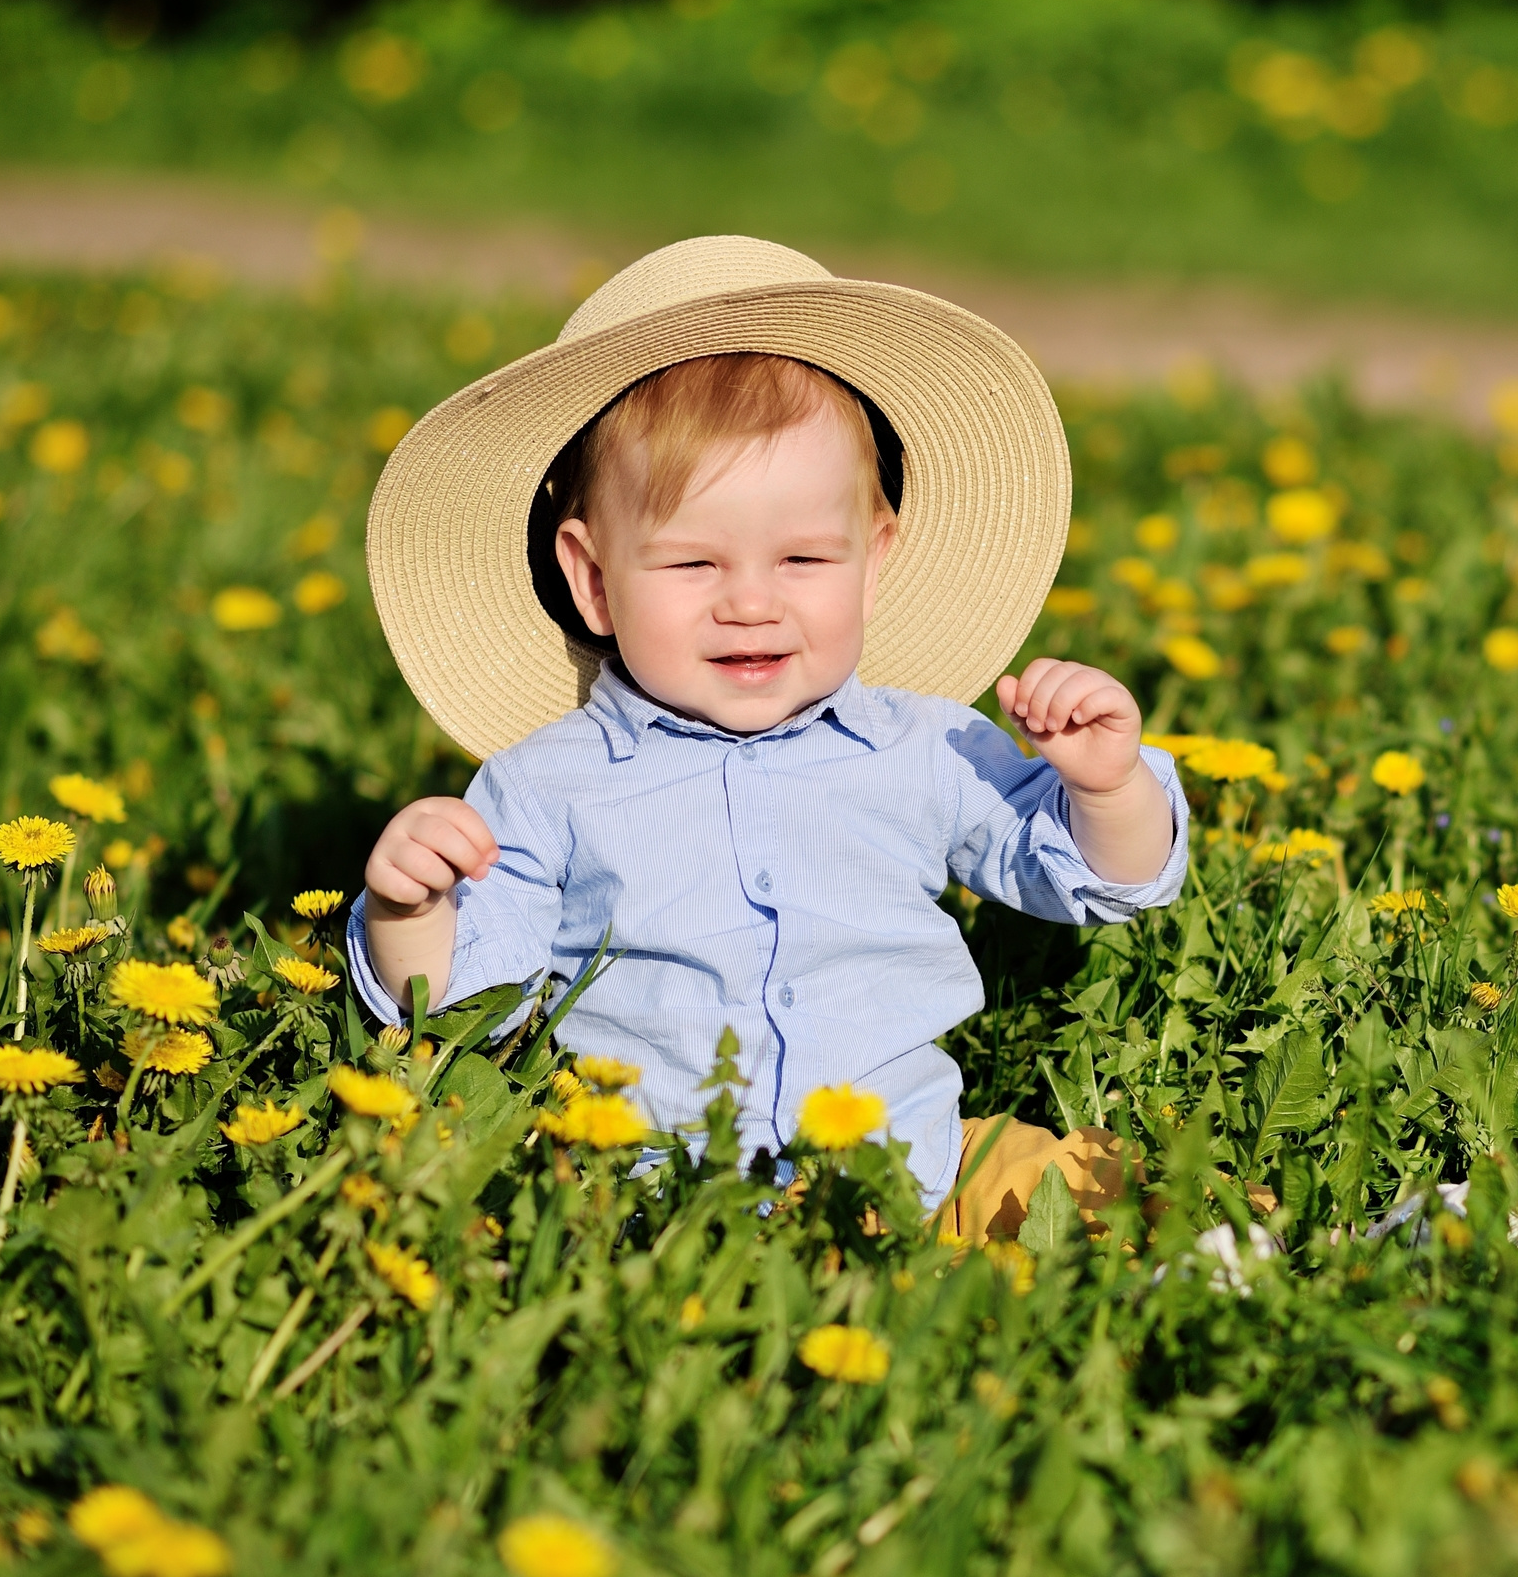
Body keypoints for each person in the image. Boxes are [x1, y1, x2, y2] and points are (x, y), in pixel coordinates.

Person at [350, 236, 1186, 1236]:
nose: (751, 604)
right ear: (593, 579)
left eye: (801, 558)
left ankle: (1288, 1252)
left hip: (905, 1168)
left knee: (1100, 1189)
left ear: (872, 563)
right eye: (694, 565)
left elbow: (1091, 880)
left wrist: (1106, 791)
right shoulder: (545, 786)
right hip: (653, 1194)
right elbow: (455, 1000)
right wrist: (411, 909)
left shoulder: (923, 749)